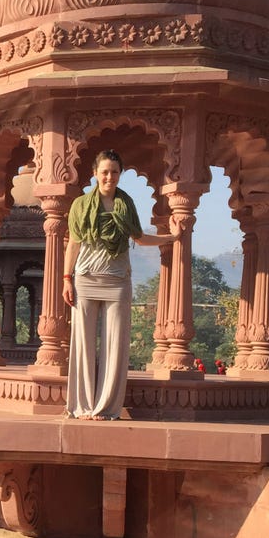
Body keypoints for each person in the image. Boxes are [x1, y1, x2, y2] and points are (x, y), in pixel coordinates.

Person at [62, 149, 180, 420]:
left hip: (117, 283)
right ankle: (81, 407)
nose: (109, 177)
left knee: (115, 347)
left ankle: (106, 408)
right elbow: (74, 245)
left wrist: (170, 238)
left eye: (114, 172)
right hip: (86, 280)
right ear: (95, 174)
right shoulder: (81, 205)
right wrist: (67, 279)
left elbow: (139, 238)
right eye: (104, 171)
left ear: (120, 174)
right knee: (82, 345)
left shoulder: (125, 204)